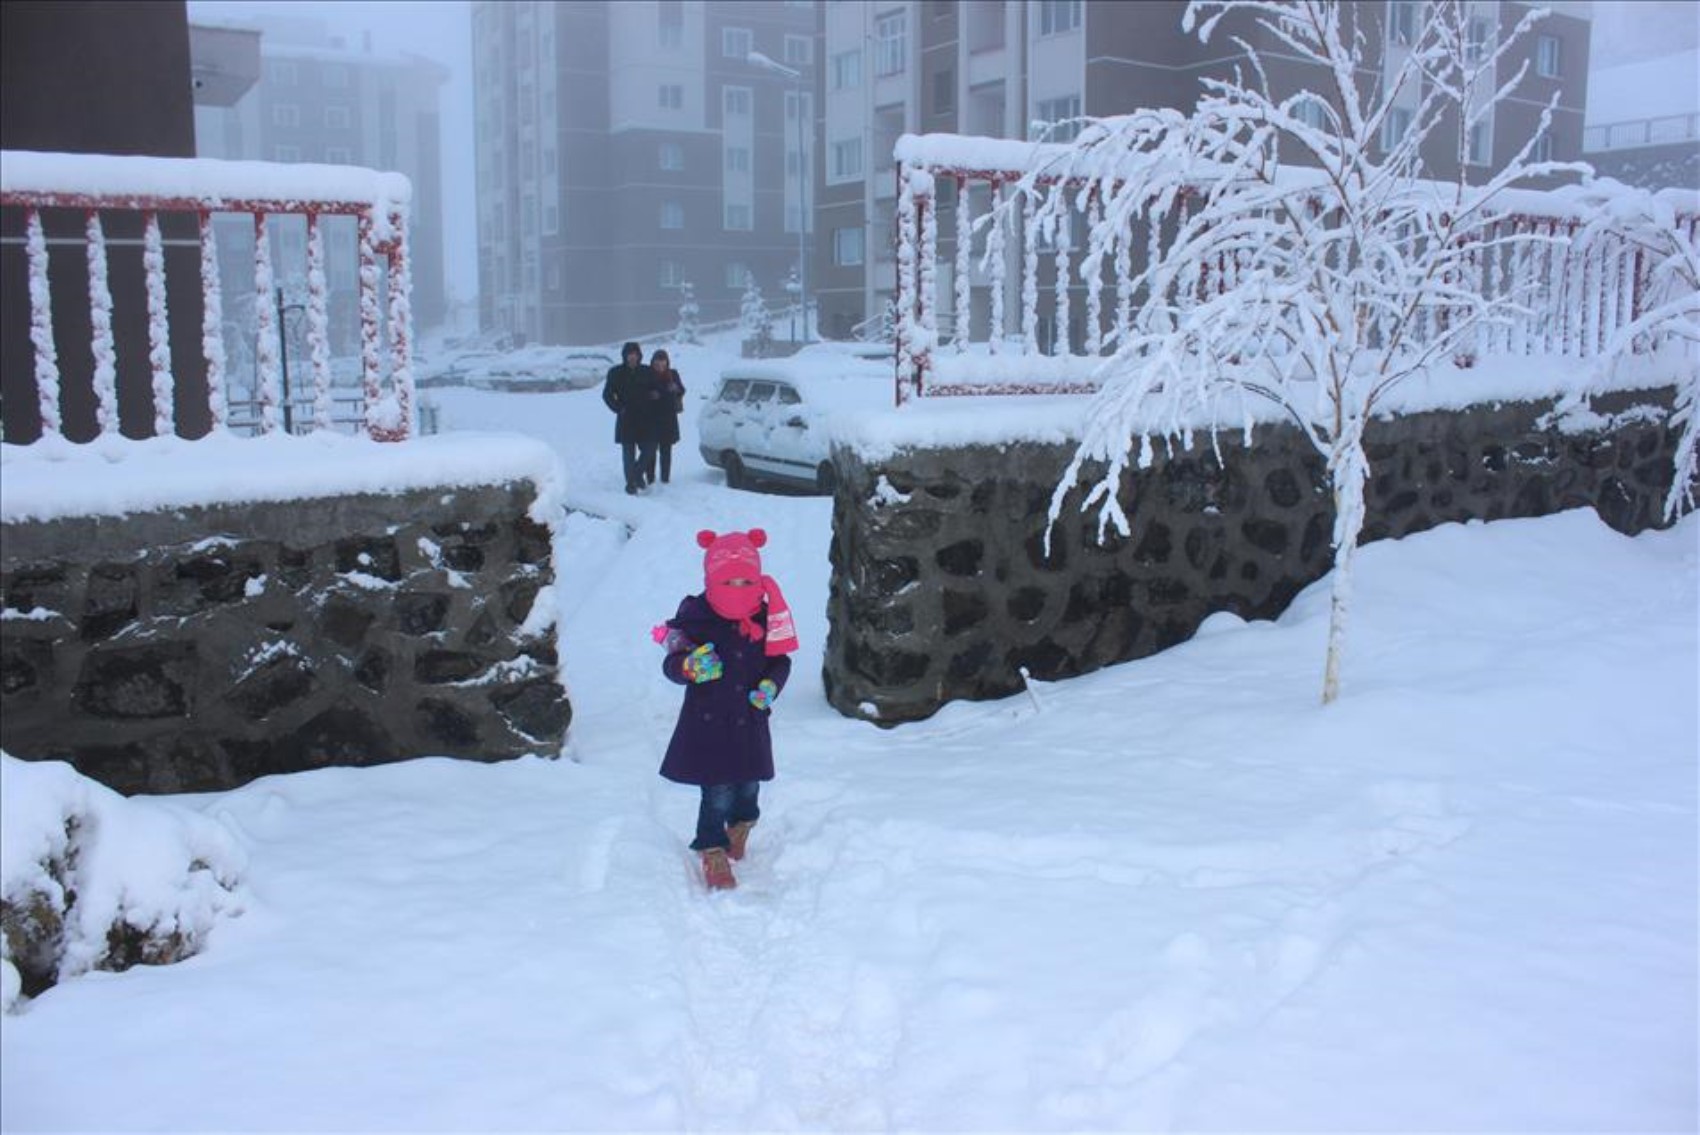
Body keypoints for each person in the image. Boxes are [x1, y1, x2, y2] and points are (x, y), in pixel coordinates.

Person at [654, 528, 799, 891]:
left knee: (749, 788)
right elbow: (672, 662)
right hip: (709, 722)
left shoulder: (766, 616)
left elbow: (780, 662)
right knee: (716, 791)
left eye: (745, 580)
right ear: (711, 578)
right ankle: (712, 849)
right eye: (727, 580)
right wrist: (688, 667)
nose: (737, 587)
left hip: (750, 720)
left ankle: (741, 826)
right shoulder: (697, 615)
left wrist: (770, 686)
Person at [602, 341, 655, 495]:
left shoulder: (647, 371)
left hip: (645, 419)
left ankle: (637, 475)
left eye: (635, 354)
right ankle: (631, 484)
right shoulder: (616, 372)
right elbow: (607, 395)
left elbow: (655, 389)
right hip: (626, 418)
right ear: (624, 356)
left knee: (650, 449)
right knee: (628, 454)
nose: (632, 357)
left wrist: (655, 396)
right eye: (629, 354)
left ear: (639, 355)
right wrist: (619, 408)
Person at [647, 349, 686, 487]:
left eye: (663, 362)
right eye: (657, 363)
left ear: (667, 362)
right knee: (651, 450)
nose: (660, 366)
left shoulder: (672, 374)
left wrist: (675, 388)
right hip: (651, 418)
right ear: (653, 362)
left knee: (666, 450)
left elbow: (682, 389)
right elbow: (642, 392)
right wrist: (650, 395)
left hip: (668, 418)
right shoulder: (648, 374)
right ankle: (650, 479)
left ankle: (665, 479)